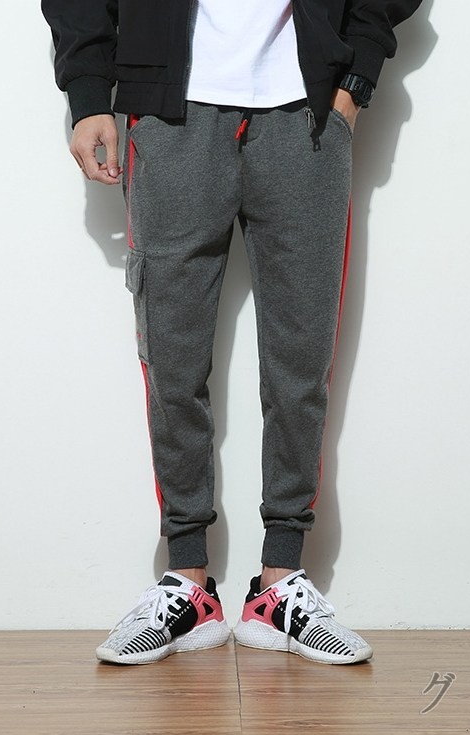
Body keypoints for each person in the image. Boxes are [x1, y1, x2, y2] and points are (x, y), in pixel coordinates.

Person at [41, 0, 421, 665]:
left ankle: (280, 581)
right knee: (171, 355)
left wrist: (356, 78)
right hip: (167, 111)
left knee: (301, 360)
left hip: (307, 112)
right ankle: (188, 582)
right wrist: (87, 93)